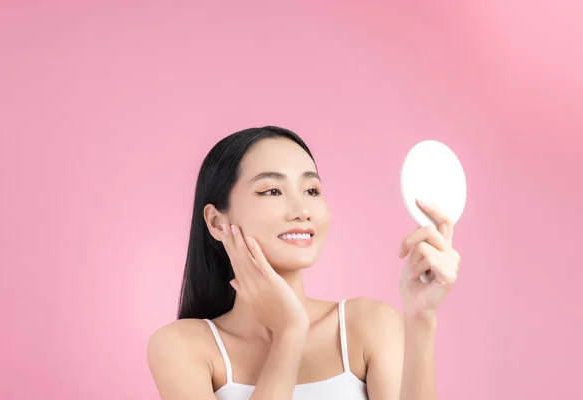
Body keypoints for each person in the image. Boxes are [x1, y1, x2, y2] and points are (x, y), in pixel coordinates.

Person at [147, 126, 461, 399]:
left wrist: (421, 317)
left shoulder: (368, 325)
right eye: (272, 190)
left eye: (311, 190)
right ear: (217, 223)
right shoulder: (182, 347)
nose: (302, 209)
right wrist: (289, 333)